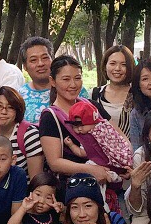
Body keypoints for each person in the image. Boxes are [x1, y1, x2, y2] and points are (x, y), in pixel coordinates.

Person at [38, 55, 120, 190]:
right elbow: (55, 163)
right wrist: (91, 170)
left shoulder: (93, 106)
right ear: (52, 81)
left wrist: (123, 163)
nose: (73, 85)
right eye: (66, 79)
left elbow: (118, 136)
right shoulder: (50, 117)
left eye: (77, 78)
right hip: (72, 188)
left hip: (107, 181)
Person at [0, 86, 43, 178]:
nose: (4, 111)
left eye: (10, 107)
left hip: (22, 185)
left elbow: (36, 179)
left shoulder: (29, 135)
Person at [91, 45, 135, 137]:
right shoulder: (93, 95)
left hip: (131, 146)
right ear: (105, 66)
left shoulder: (137, 95)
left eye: (123, 65)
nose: (117, 68)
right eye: (112, 63)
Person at [18, 37, 54, 123]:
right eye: (33, 60)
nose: (40, 64)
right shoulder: (19, 97)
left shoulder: (71, 90)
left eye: (45, 58)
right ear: (25, 66)